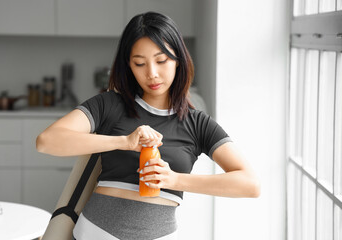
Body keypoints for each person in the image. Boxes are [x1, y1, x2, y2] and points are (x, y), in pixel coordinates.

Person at [36, 11, 260, 240]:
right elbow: (46, 141)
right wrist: (124, 142)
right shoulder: (110, 104)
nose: (152, 73)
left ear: (178, 60)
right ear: (129, 66)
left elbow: (250, 184)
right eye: (140, 63)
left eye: (161, 60)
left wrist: (174, 180)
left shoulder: (197, 123)